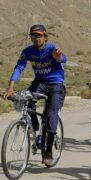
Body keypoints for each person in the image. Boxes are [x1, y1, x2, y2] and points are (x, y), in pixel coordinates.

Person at [2, 24, 67, 166]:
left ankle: (48, 151)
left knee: (51, 115)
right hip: (39, 82)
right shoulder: (28, 51)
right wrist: (10, 87)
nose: (36, 38)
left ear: (45, 37)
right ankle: (35, 124)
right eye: (33, 35)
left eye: (39, 35)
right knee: (25, 99)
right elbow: (19, 67)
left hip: (56, 84)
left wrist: (59, 57)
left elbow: (63, 59)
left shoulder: (51, 48)